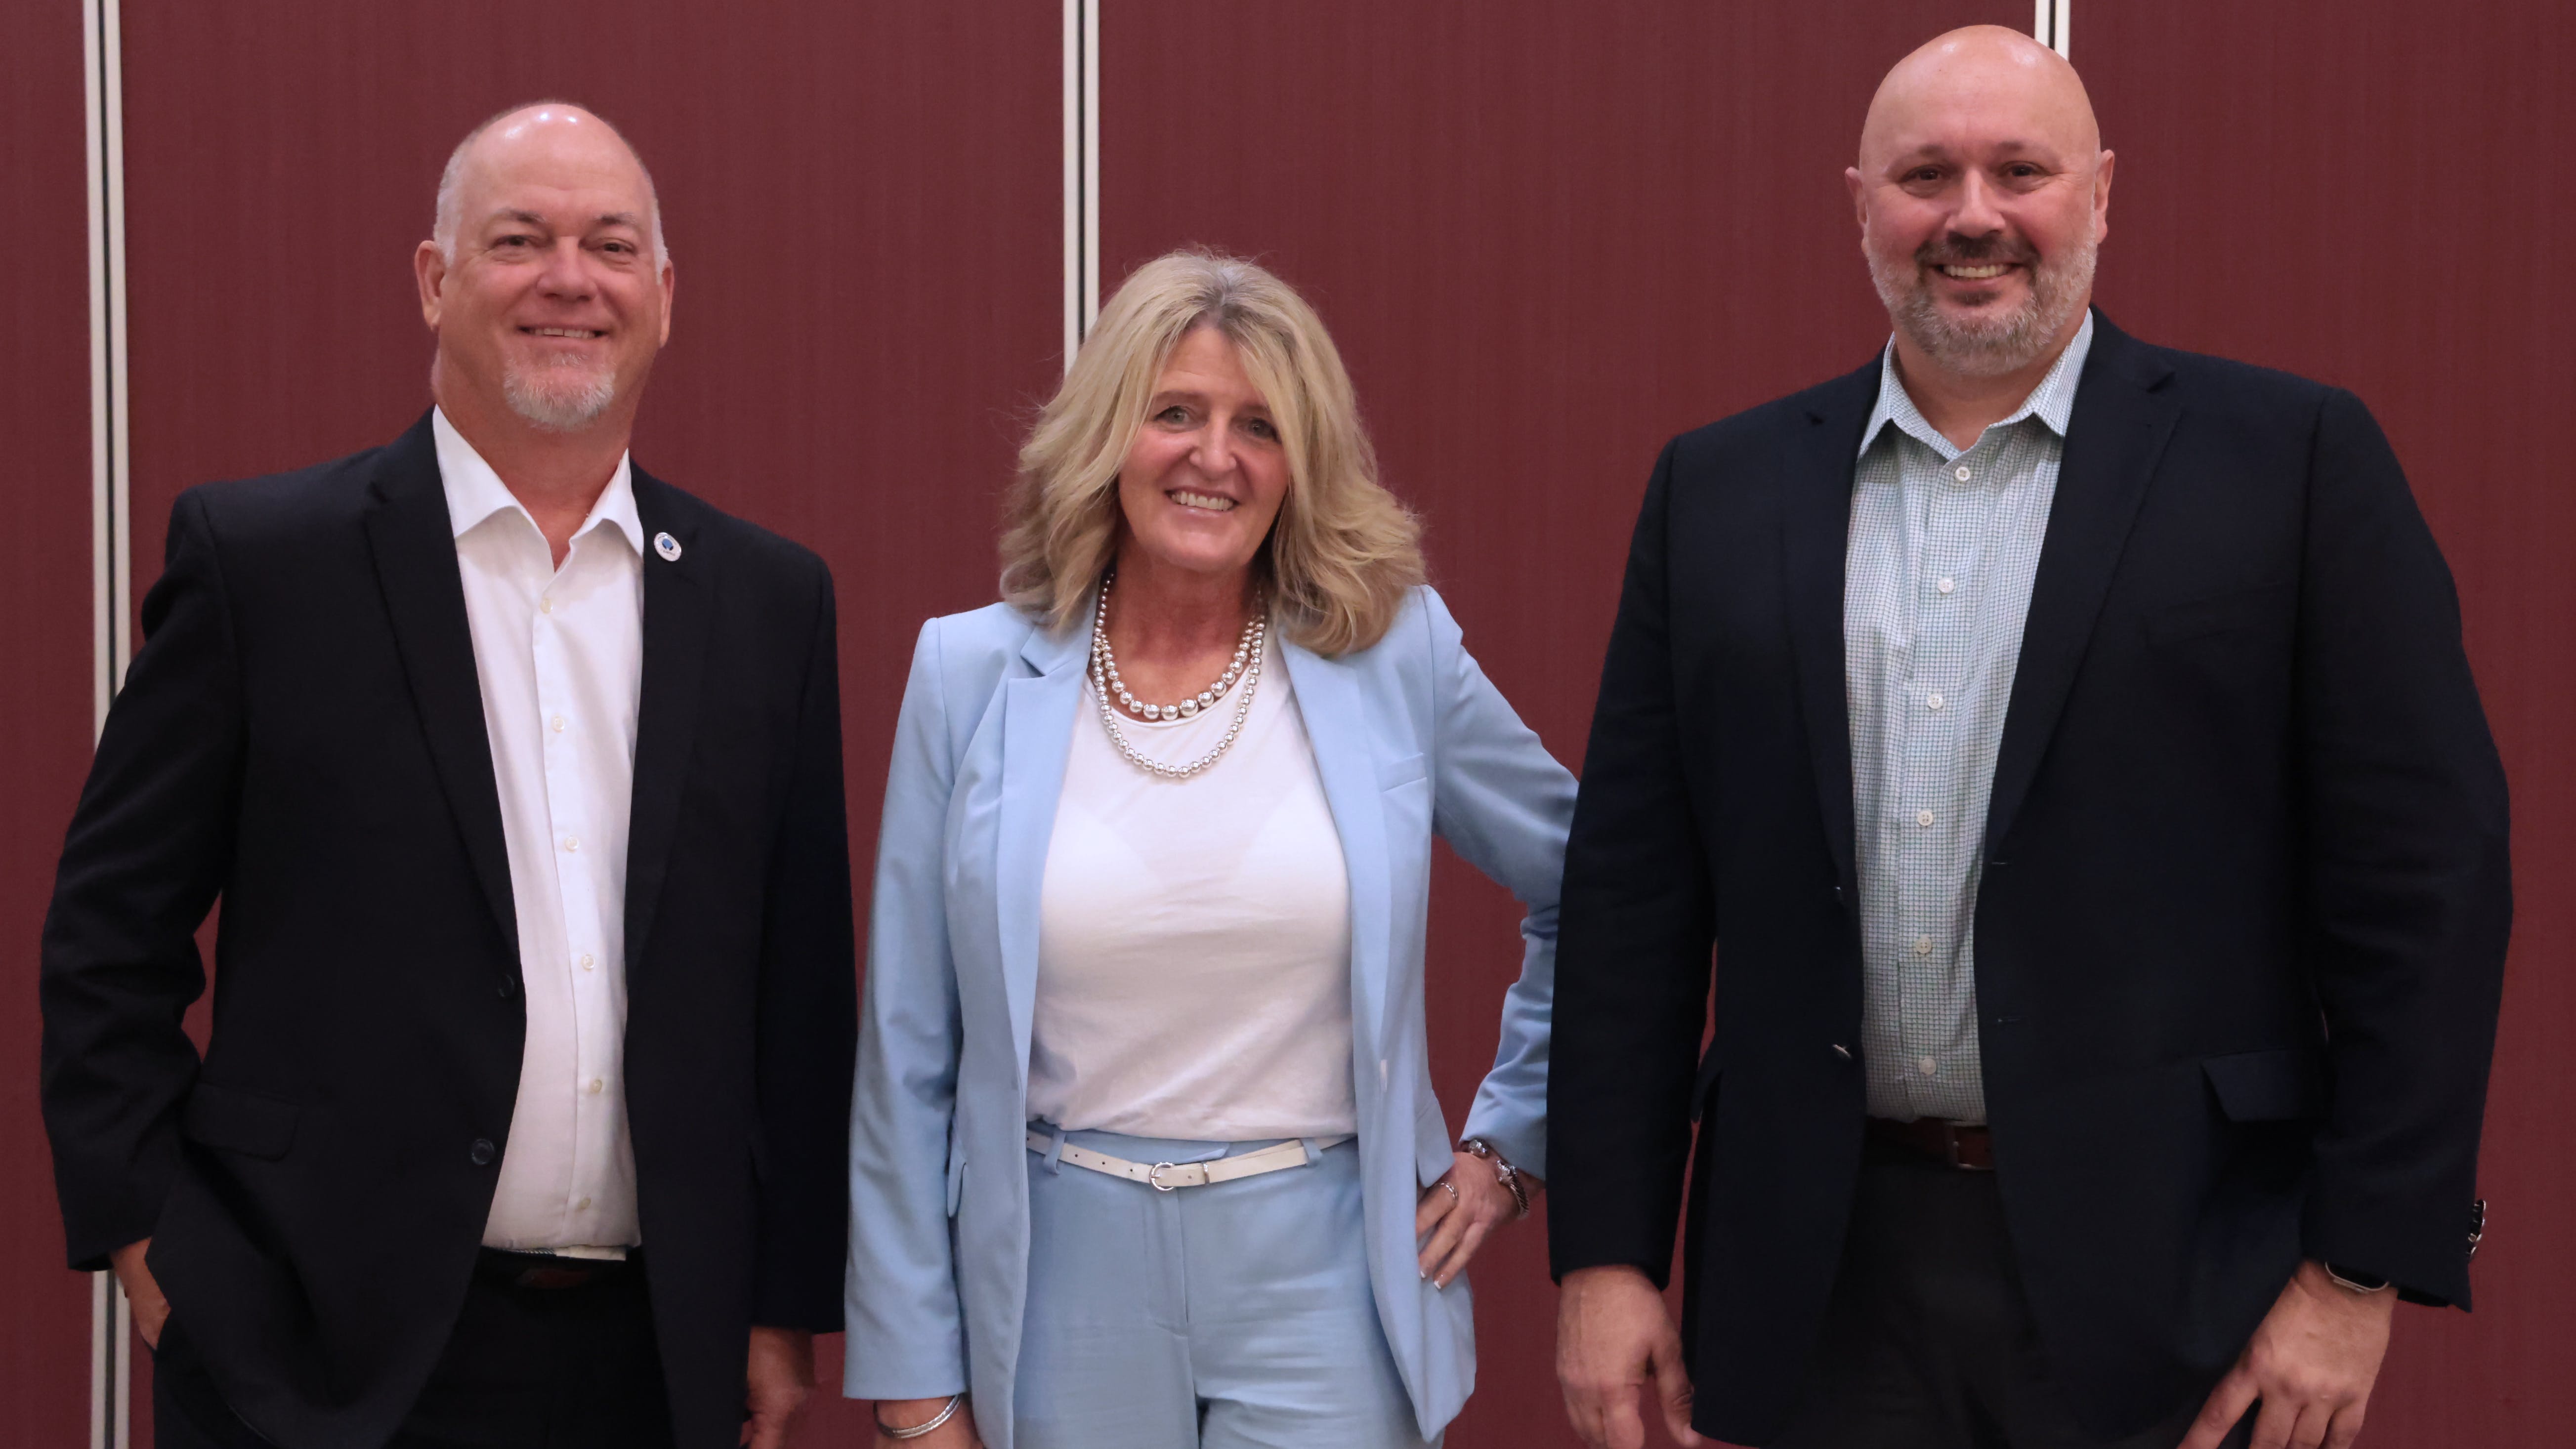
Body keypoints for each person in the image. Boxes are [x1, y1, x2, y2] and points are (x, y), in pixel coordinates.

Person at [1547, 26, 2508, 1449]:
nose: (1972, 215)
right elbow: (1632, 896)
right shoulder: (1717, 490)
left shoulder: (2290, 462)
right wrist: (1607, 1252)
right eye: (1923, 175)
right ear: (1859, 203)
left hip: (2182, 1284)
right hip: (1814, 1285)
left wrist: (2354, 1264)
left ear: (2102, 193)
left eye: (2020, 170)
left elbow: (2424, 885)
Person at [38, 102, 856, 1449]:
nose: (566, 279)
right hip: (313, 1358)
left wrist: (778, 1303)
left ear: (663, 294)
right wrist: (154, 1250)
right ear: (433, 279)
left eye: (608, 245)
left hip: (657, 1366)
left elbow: (794, 992)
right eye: (518, 240)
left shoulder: (768, 602)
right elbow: (105, 940)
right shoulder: (264, 565)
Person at [844, 250, 1574, 1449]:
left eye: (1260, 427)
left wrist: (1510, 1143)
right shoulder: (969, 676)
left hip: (1330, 1288)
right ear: (1106, 437)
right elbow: (907, 1054)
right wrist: (913, 1385)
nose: (1214, 458)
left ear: (1302, 464)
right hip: (1055, 1283)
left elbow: (1594, 887)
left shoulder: (1396, 657)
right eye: (1174, 413)